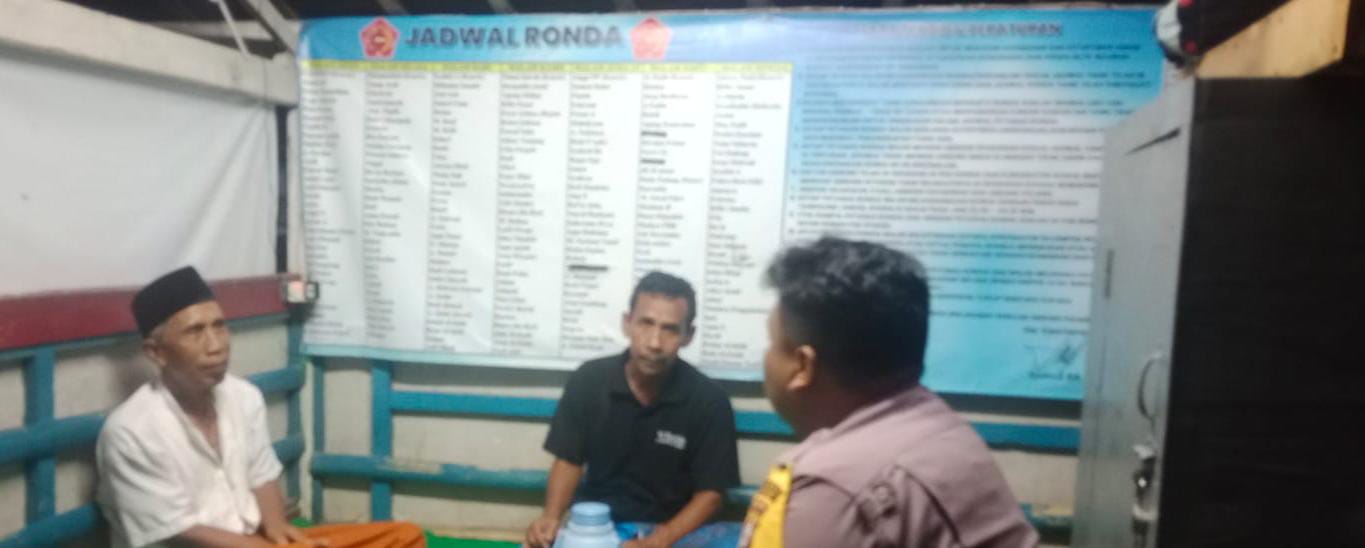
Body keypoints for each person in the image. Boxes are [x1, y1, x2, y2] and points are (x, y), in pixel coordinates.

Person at [95, 266, 425, 548]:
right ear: (156, 352)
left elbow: (261, 473)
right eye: (195, 332)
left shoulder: (243, 396)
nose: (216, 345)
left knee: (404, 537)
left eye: (219, 326)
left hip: (254, 539)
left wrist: (279, 529)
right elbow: (180, 529)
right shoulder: (131, 432)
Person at [740, 237, 1039, 548]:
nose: (767, 357)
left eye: (772, 343)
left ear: (802, 366)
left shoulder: (835, 489)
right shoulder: (941, 428)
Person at [525, 272, 740, 548]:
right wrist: (550, 517)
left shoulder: (709, 401)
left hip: (676, 531)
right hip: (598, 527)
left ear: (688, 336)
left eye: (670, 329)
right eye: (645, 323)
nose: (654, 342)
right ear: (627, 323)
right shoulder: (589, 380)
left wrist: (657, 542)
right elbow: (568, 460)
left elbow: (711, 495)